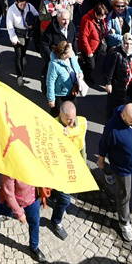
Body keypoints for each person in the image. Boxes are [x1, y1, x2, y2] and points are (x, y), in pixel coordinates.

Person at [98, 103, 132, 242]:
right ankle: (124, 223)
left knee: (113, 174)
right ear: (122, 116)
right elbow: (104, 144)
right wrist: (101, 159)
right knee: (124, 194)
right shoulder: (112, 128)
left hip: (129, 165)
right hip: (122, 167)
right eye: (131, 122)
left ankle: (107, 172)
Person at [48, 101, 87, 240]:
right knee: (65, 200)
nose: (72, 121)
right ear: (60, 115)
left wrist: (83, 163)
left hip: (74, 167)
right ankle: (56, 222)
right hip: (59, 170)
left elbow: (81, 137)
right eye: (68, 119)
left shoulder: (80, 121)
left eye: (73, 118)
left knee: (59, 196)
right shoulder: (52, 126)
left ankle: (52, 196)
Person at [0, 173, 46, 263]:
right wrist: (20, 213)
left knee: (35, 222)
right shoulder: (10, 170)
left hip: (33, 199)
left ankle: (34, 247)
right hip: (16, 202)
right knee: (5, 210)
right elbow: (9, 195)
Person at [45, 40, 84, 110]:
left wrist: (80, 74)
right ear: (64, 54)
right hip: (60, 96)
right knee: (58, 116)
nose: (72, 52)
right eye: (71, 50)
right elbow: (50, 82)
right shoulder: (54, 65)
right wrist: (51, 99)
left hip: (72, 92)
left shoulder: (72, 58)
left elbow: (78, 69)